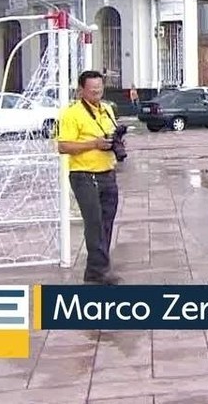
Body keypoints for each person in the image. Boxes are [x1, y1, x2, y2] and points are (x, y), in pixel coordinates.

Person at [57, 70, 122, 284]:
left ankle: (95, 270)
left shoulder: (107, 109)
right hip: (84, 175)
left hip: (107, 173)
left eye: (100, 89)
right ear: (81, 90)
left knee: (106, 223)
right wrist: (93, 144)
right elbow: (63, 146)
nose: (97, 93)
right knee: (93, 223)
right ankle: (100, 270)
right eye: (92, 91)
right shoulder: (72, 113)